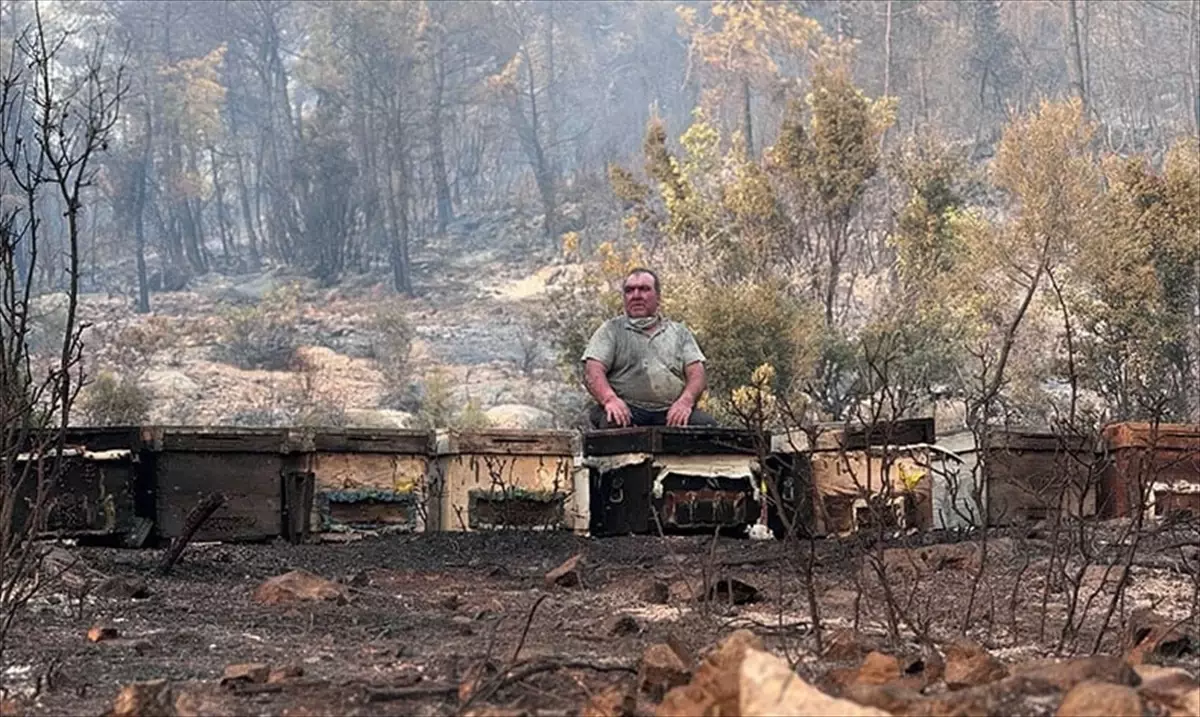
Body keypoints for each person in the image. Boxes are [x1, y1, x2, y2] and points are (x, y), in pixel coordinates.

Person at [580, 268, 719, 429]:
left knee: (707, 426)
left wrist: (685, 402)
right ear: (624, 298)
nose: (636, 295)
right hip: (627, 411)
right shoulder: (610, 331)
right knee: (612, 423)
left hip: (671, 413)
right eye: (630, 290)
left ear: (658, 297)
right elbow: (593, 370)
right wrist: (610, 400)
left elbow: (697, 373)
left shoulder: (679, 333)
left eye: (644, 289)